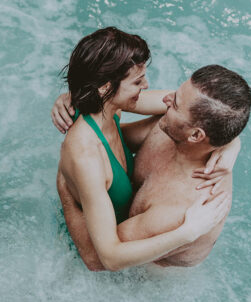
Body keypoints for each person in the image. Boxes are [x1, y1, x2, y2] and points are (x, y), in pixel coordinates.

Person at [52, 27, 234, 272]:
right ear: (105, 88)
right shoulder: (85, 156)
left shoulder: (111, 110)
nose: (146, 85)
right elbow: (102, 260)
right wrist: (186, 233)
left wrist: (230, 148)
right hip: (91, 251)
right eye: (138, 81)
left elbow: (206, 115)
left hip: (125, 232)